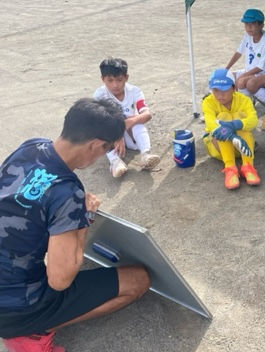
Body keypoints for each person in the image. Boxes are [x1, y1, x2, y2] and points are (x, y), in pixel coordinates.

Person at [0, 98, 150, 352]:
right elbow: (60, 280)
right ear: (96, 145)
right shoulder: (67, 193)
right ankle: (32, 330)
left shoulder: (31, 147)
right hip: (14, 309)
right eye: (106, 149)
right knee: (139, 280)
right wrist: (83, 220)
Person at [93, 57, 160, 178]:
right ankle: (115, 162)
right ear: (102, 79)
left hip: (130, 134)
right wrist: (117, 133)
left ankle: (145, 155)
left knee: (138, 123)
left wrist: (127, 123)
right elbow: (99, 122)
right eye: (110, 80)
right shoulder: (99, 95)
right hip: (112, 135)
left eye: (119, 80)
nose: (115, 85)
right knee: (102, 129)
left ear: (126, 77)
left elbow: (147, 114)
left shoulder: (135, 91)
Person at [202, 68, 260, 190]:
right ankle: (230, 167)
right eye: (215, 90)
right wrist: (232, 136)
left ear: (234, 88)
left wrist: (235, 125)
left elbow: (253, 120)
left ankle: (248, 166)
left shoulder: (244, 100)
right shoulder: (208, 102)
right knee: (223, 117)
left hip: (243, 147)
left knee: (241, 121)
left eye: (224, 90)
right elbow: (210, 123)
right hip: (219, 149)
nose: (220, 95)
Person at [224, 8, 265, 100]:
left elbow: (261, 67)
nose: (249, 27)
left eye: (252, 24)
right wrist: (226, 68)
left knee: (241, 82)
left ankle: (249, 104)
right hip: (248, 71)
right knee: (227, 77)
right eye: (246, 24)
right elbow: (238, 52)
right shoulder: (247, 36)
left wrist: (243, 76)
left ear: (261, 25)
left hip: (261, 74)